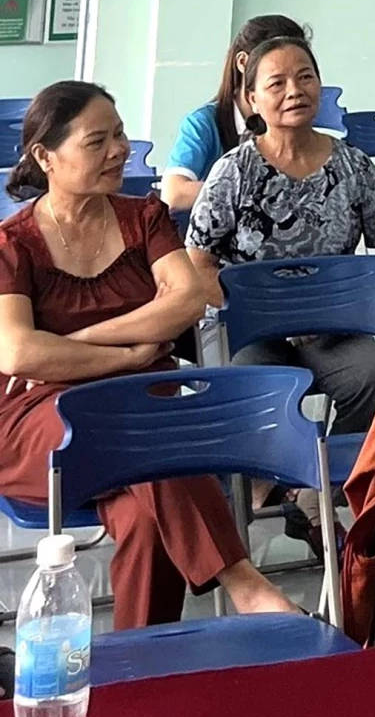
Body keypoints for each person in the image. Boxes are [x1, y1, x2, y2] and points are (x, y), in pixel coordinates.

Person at [0, 82, 301, 628]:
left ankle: (138, 662)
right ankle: (245, 583)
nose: (119, 150)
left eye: (119, 135)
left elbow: (186, 301)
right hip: (42, 418)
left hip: (144, 403)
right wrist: (127, 356)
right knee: (142, 429)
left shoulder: (144, 217)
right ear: (45, 156)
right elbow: (19, 351)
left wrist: (77, 343)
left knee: (146, 520)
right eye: (97, 141)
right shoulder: (13, 243)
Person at [187, 37, 375, 437]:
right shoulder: (233, 171)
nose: (294, 91)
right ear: (253, 99)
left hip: (333, 327)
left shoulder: (353, 165)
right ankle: (272, 472)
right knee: (252, 386)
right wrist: (264, 313)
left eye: (305, 77)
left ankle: (333, 469)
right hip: (252, 329)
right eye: (277, 83)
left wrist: (356, 300)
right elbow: (197, 262)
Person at [160, 14, 309, 211]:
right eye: (277, 76)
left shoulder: (297, 120)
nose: (293, 90)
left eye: (303, 75)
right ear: (242, 63)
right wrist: (256, 191)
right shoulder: (204, 122)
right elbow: (174, 193)